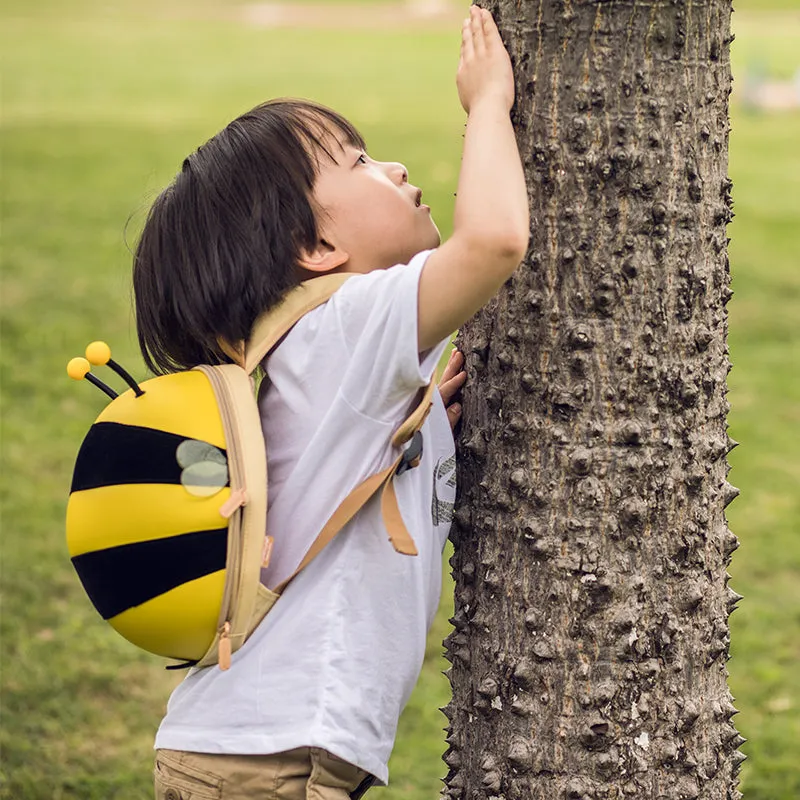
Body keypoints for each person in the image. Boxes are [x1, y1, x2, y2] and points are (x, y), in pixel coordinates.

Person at [132, 6, 528, 800]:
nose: (394, 169)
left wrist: (419, 435)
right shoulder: (347, 322)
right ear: (316, 252)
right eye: (359, 162)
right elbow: (493, 243)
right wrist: (489, 104)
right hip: (270, 760)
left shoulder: (306, 353)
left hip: (245, 745)